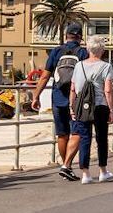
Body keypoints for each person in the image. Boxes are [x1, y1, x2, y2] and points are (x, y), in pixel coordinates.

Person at [36, 25, 87, 182]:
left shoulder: (56, 51)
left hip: (58, 98)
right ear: (80, 37)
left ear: (66, 36)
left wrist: (35, 96)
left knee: (62, 134)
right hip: (77, 99)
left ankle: (67, 167)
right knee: (78, 132)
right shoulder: (83, 52)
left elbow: (45, 76)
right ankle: (67, 165)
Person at [70, 41, 113, 183]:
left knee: (84, 138)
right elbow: (107, 90)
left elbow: (73, 89)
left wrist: (72, 108)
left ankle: (86, 174)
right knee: (102, 139)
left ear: (88, 49)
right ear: (101, 50)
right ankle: (103, 171)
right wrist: (111, 109)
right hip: (100, 106)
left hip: (82, 107)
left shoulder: (78, 66)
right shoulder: (106, 66)